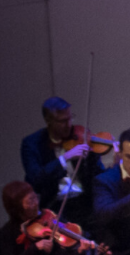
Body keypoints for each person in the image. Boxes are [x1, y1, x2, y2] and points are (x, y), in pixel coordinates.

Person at [20, 96, 103, 224]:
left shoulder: (80, 136)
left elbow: (98, 173)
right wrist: (65, 158)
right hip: (55, 205)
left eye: (70, 118)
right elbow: (35, 178)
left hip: (85, 201)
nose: (69, 125)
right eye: (62, 121)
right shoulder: (31, 144)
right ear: (48, 121)